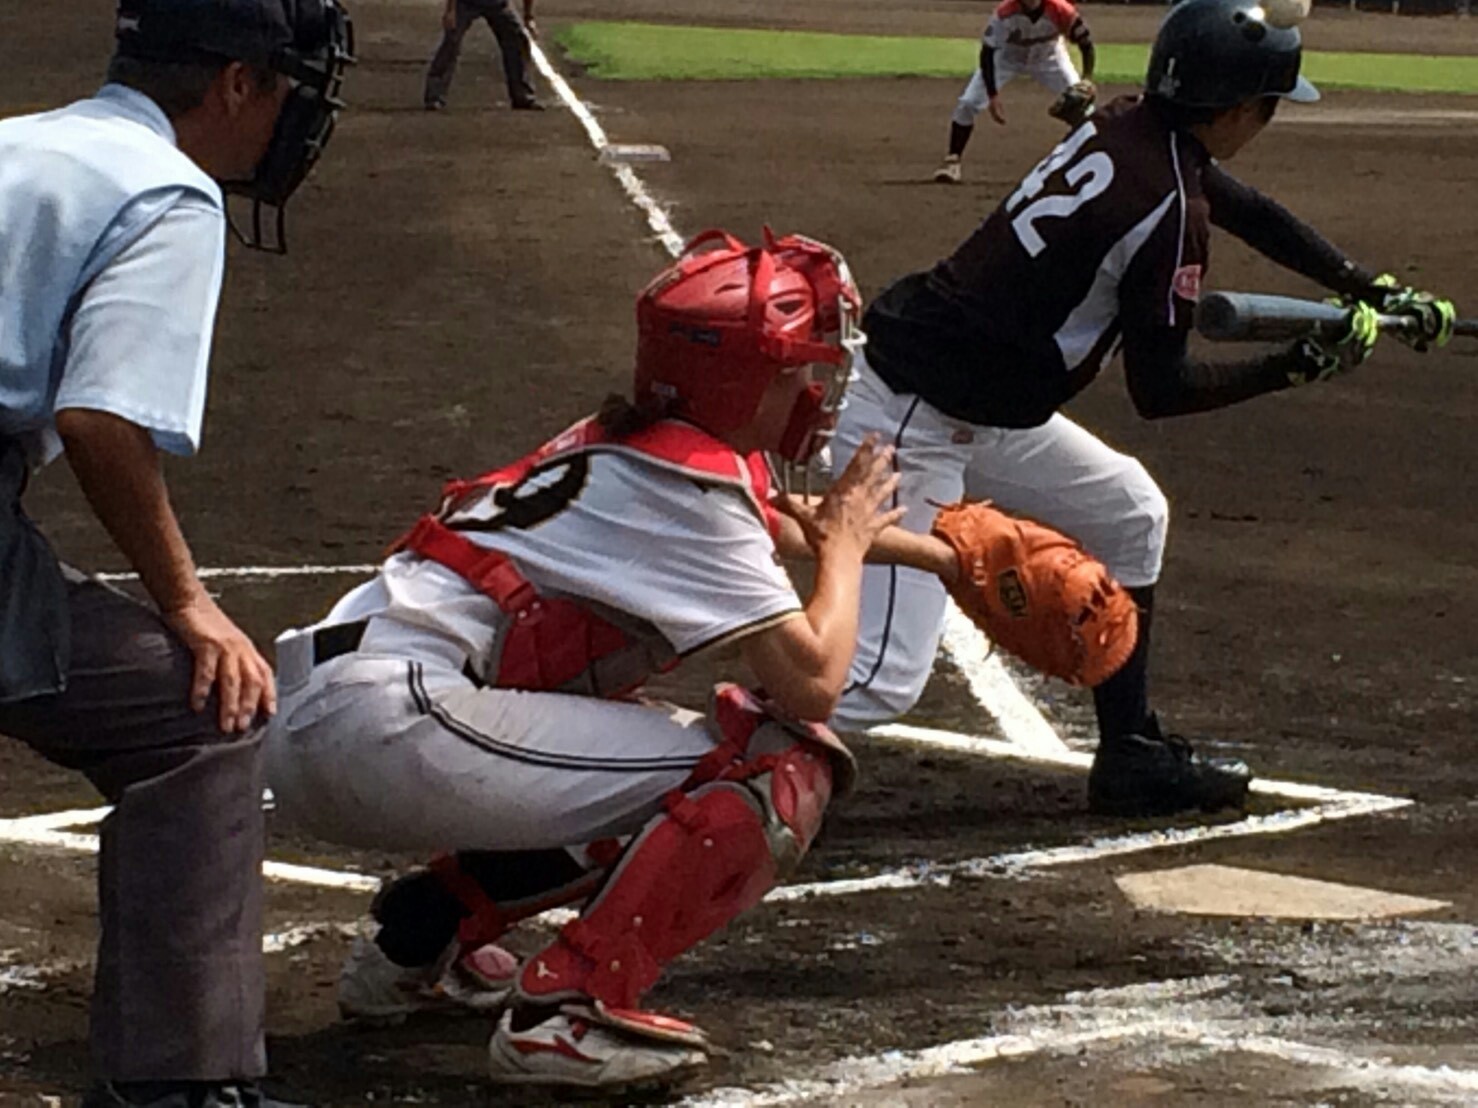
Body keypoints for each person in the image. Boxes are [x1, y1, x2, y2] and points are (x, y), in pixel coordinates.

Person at [262, 229, 959, 1090]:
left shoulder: (629, 447)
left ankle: (416, 941)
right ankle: (568, 1009)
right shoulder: (690, 491)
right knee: (771, 763)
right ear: (745, 379)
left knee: (630, 755)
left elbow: (784, 524)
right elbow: (814, 678)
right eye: (799, 373)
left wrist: (947, 559)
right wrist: (847, 551)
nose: (815, 392)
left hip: (337, 717)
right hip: (394, 724)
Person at [836, 0, 1456, 817]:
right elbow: (1160, 391)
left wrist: (1365, 286)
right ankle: (703, 758)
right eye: (1267, 106)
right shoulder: (1169, 209)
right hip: (912, 416)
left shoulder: (1130, 126)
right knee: (879, 681)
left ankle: (1128, 754)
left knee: (1130, 511)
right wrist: (1295, 367)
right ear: (1235, 111)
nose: (1265, 121)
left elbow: (1247, 208)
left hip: (972, 400)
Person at [0, 2, 352, 1105]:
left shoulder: (20, 141)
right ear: (237, 84)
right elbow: (103, 420)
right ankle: (182, 1085)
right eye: (284, 88)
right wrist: (188, 600)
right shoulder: (164, 189)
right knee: (196, 715)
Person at [933, 0, 1096, 184]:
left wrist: (1086, 79)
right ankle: (952, 162)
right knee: (968, 103)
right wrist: (993, 95)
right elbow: (987, 53)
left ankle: (1092, 157)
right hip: (1006, 60)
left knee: (1082, 103)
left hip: (1049, 59)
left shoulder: (1061, 10)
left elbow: (1086, 44)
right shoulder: (1005, 13)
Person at [424, 0, 543, 112]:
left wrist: (529, 16)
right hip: (466, 2)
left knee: (517, 38)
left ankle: (522, 95)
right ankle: (434, 95)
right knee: (451, 41)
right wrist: (450, 10)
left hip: (497, 3)